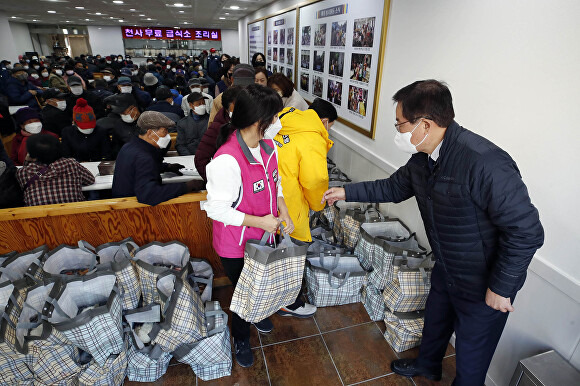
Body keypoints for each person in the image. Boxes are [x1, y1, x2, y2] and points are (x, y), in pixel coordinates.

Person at [321, 80, 544, 386]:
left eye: (400, 124)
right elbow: (391, 187)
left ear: (424, 124)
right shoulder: (423, 160)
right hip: (448, 265)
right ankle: (428, 366)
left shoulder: (484, 163)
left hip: (484, 279)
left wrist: (501, 287)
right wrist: (346, 191)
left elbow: (526, 231)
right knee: (435, 323)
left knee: (471, 355)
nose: (397, 132)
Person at [204, 84, 294, 368]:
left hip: (263, 236)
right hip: (236, 245)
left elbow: (275, 185)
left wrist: (284, 212)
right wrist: (261, 222)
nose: (278, 123)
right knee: (244, 296)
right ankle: (241, 337)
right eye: (275, 117)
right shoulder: (227, 160)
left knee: (261, 286)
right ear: (259, 122)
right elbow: (216, 209)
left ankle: (259, 313)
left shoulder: (269, 147)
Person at [111, 111, 201, 206]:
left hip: (121, 204)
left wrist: (166, 167)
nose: (167, 136)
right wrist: (186, 187)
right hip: (132, 211)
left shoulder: (130, 146)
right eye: (164, 131)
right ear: (149, 133)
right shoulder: (144, 157)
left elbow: (137, 169)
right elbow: (149, 195)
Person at [16, 134, 95, 206]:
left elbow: (24, 180)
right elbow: (90, 180)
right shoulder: (71, 164)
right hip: (75, 217)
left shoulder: (23, 173)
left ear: (31, 154)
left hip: (40, 220)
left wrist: (27, 161)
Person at [195, 86, 242, 182]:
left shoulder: (252, 123)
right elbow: (200, 159)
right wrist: (215, 182)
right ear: (226, 110)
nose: (239, 113)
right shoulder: (217, 128)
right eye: (235, 109)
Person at [61, 98, 111, 162]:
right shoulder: (67, 132)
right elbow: (66, 155)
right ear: (75, 122)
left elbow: (106, 153)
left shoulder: (102, 131)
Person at [99, 93, 140, 158]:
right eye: (121, 113)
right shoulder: (118, 125)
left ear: (134, 108)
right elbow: (116, 148)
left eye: (124, 112)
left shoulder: (148, 121)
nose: (123, 114)